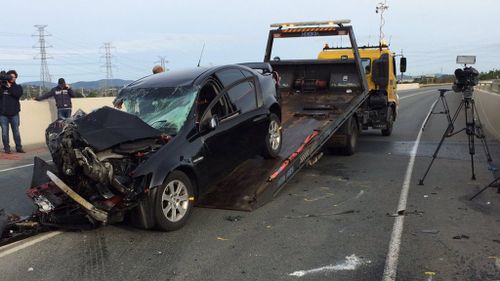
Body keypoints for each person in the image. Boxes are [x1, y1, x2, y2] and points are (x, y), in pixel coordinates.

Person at [0, 70, 24, 153]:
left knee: (16, 132)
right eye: (10, 77)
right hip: (3, 114)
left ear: (16, 78)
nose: (12, 78)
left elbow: (17, 95)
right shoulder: (2, 87)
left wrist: (9, 87)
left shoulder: (18, 87)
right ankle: (7, 149)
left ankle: (19, 147)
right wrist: (1, 86)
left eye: (14, 77)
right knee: (4, 133)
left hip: (14, 113)